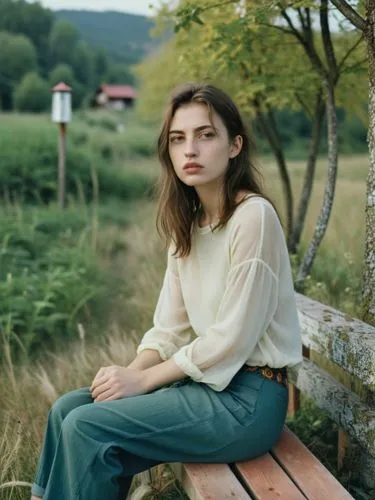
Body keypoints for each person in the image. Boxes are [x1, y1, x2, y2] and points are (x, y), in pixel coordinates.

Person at [31, 83, 302, 500]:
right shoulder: (186, 228)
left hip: (249, 401)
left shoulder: (254, 217)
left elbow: (231, 340)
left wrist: (146, 382)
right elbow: (168, 330)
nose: (190, 150)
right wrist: (131, 375)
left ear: (235, 146)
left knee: (88, 427)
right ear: (169, 152)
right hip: (209, 387)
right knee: (69, 408)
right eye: (178, 139)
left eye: (205, 135)